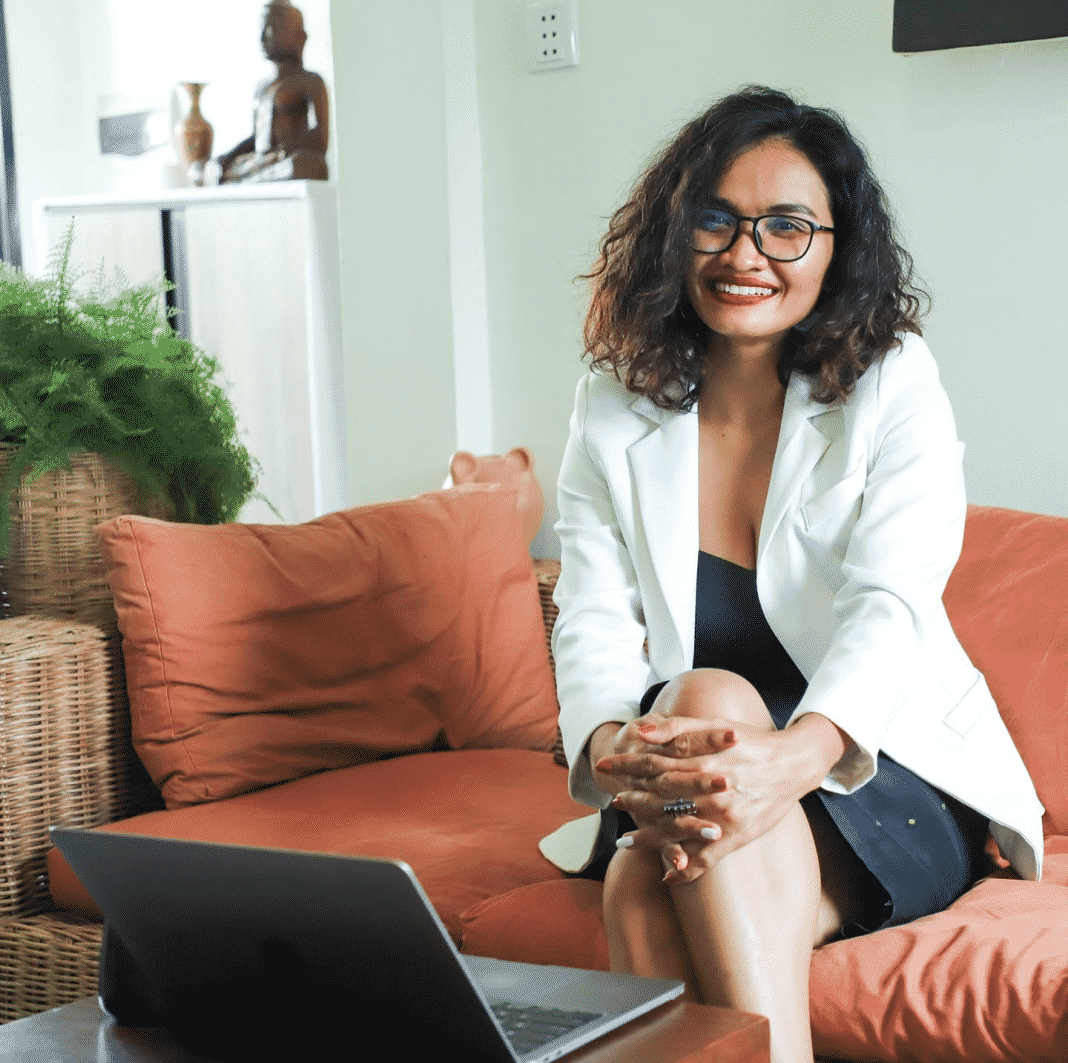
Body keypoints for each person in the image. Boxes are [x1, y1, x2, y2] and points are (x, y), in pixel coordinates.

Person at [540, 86, 1044, 1063]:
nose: (745, 254)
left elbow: (891, 604)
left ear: (835, 247)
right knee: (701, 721)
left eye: (787, 226)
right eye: (716, 219)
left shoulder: (893, 381)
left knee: (644, 879)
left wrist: (795, 757)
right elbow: (591, 613)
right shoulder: (611, 399)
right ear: (675, 231)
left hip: (872, 762)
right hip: (695, 768)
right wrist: (607, 746)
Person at [197, 0, 328, 186]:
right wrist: (228, 157)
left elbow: (321, 137)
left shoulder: (310, 82)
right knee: (200, 169)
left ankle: (240, 177)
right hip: (260, 162)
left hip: (284, 159)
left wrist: (281, 151)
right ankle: (236, 174)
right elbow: (256, 139)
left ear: (298, 35)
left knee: (304, 164)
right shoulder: (262, 88)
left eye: (270, 28)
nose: (262, 37)